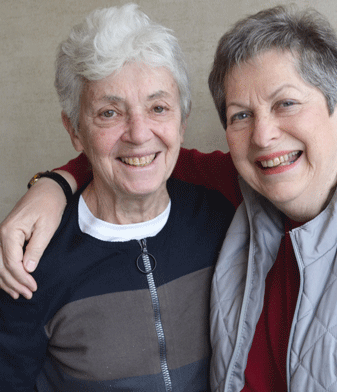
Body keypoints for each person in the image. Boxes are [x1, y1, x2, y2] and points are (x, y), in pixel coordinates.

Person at [2, 4, 337, 392]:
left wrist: (56, 180)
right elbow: (135, 160)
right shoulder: (239, 191)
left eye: (286, 103)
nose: (263, 137)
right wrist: (57, 182)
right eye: (241, 115)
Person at [0, 4, 235, 390]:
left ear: (183, 119)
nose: (139, 133)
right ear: (75, 131)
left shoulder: (223, 216)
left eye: (158, 108)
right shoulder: (30, 261)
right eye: (110, 113)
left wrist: (57, 180)